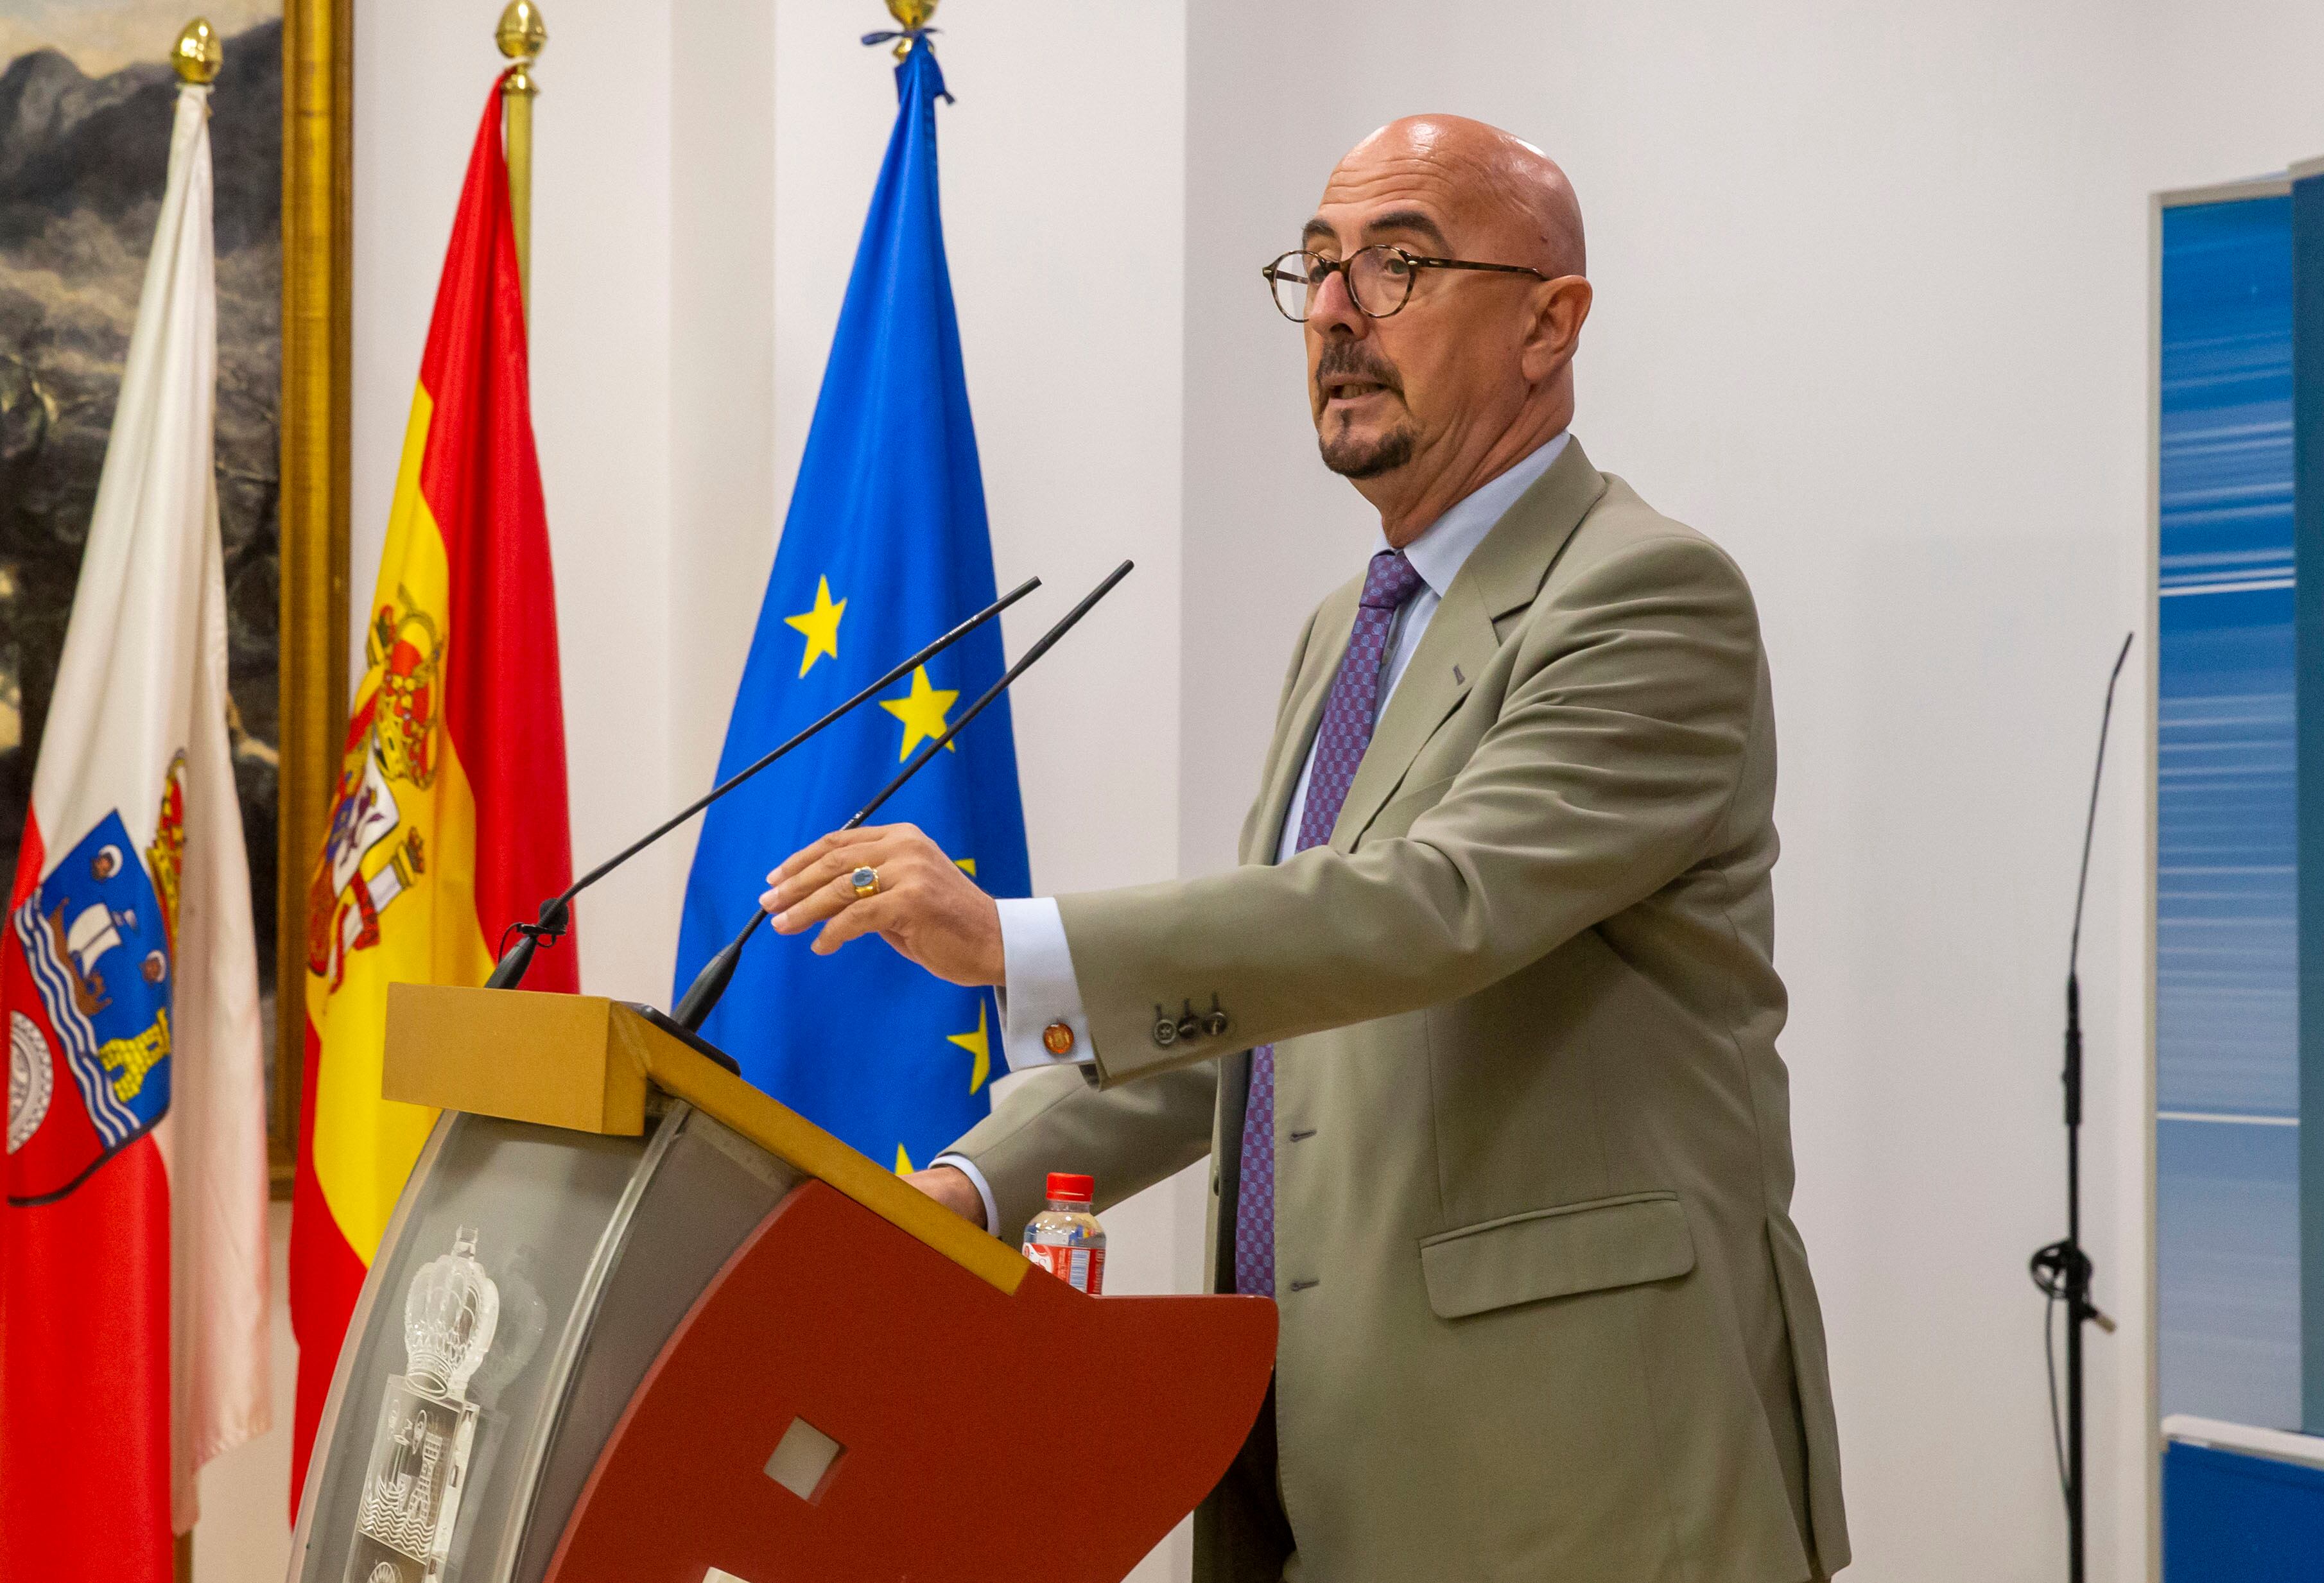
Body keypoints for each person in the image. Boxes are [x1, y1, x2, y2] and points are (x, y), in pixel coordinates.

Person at [759, 114, 1849, 1583]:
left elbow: (1431, 910)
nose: (1333, 314)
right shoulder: (1348, 628)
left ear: (1550, 321)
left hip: (1576, 1478)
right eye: (1318, 268)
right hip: (1308, 1467)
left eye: (1397, 266)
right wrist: (967, 1185)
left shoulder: (1648, 595)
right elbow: (1249, 1029)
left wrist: (1014, 942)